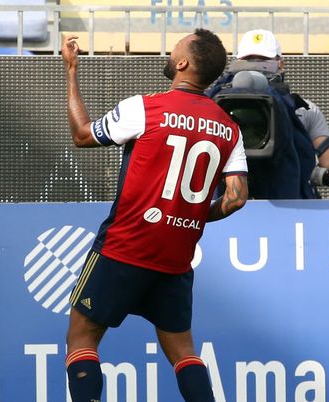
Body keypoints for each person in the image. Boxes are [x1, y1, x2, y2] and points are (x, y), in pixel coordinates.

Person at [61, 29, 248, 402]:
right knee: (183, 351)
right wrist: (188, 216)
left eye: (176, 46)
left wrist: (70, 72)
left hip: (123, 247)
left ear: (182, 63)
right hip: (175, 257)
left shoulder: (145, 107)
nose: (170, 49)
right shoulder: (229, 128)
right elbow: (237, 197)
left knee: (82, 338)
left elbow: (83, 135)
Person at [234, 29, 329, 196]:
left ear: (280, 64)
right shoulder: (220, 106)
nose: (255, 66)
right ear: (236, 63)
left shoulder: (304, 110)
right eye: (248, 61)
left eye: (264, 61)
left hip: (290, 209)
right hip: (232, 206)